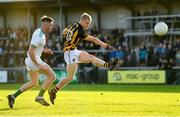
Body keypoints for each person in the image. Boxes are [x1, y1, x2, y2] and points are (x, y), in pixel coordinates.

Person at [48, 13, 119, 105]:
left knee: (91, 57)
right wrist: (105, 45)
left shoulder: (73, 24)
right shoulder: (80, 30)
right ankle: (53, 91)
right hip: (70, 53)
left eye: (88, 24)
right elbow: (94, 39)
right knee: (70, 77)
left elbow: (64, 32)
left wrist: (69, 38)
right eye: (87, 23)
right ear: (82, 20)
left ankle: (108, 65)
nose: (87, 25)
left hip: (74, 51)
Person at [7, 15, 56, 108]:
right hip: (34, 60)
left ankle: (13, 96)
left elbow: (34, 48)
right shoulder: (40, 36)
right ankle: (40, 96)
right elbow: (31, 51)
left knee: (33, 82)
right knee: (52, 76)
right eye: (51, 25)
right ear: (45, 25)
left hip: (29, 60)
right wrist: (38, 64)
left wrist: (45, 50)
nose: (51, 27)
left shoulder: (38, 31)